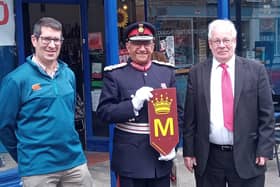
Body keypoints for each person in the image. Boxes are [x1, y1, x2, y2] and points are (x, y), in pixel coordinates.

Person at [0, 17, 93, 187]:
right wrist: (25, 157)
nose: (52, 45)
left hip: (74, 162)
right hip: (38, 169)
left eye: (56, 39)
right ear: (34, 40)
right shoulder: (16, 80)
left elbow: (69, 113)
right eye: (46, 39)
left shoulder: (68, 74)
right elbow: (4, 126)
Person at [183, 19, 275, 187]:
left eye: (226, 40)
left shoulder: (256, 71)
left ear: (235, 41)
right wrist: (188, 152)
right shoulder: (196, 73)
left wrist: (264, 149)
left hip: (248, 155)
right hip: (209, 157)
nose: (222, 45)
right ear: (210, 44)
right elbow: (190, 118)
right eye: (217, 41)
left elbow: (266, 115)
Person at [97, 21, 183, 187]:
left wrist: (174, 143)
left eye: (146, 43)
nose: (142, 49)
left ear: (153, 46)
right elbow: (104, 113)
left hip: (160, 157)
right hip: (131, 159)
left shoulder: (166, 73)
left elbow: (178, 114)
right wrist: (133, 104)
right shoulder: (115, 75)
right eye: (136, 44)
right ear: (128, 47)